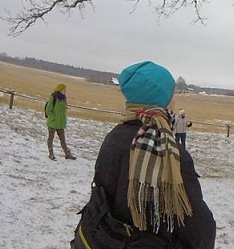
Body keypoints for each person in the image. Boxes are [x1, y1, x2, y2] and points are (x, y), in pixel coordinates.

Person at [79, 61, 215, 248]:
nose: (174, 99)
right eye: (171, 93)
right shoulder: (170, 153)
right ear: (162, 99)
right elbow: (198, 230)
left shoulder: (113, 137)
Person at [45, 83, 76, 160]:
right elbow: (48, 110)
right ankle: (51, 154)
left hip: (60, 124)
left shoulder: (64, 98)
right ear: (60, 89)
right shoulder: (53, 97)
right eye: (64, 89)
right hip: (53, 122)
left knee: (63, 140)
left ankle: (67, 154)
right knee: (50, 138)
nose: (65, 91)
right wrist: (53, 118)